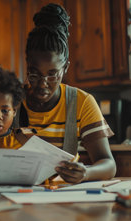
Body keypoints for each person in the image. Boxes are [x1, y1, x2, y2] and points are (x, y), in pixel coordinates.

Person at [17, 3, 116, 183]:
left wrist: (86, 172)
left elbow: (108, 164)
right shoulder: (11, 101)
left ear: (65, 68)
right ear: (27, 64)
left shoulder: (81, 102)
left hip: (62, 197)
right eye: (34, 73)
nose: (42, 84)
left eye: (53, 74)